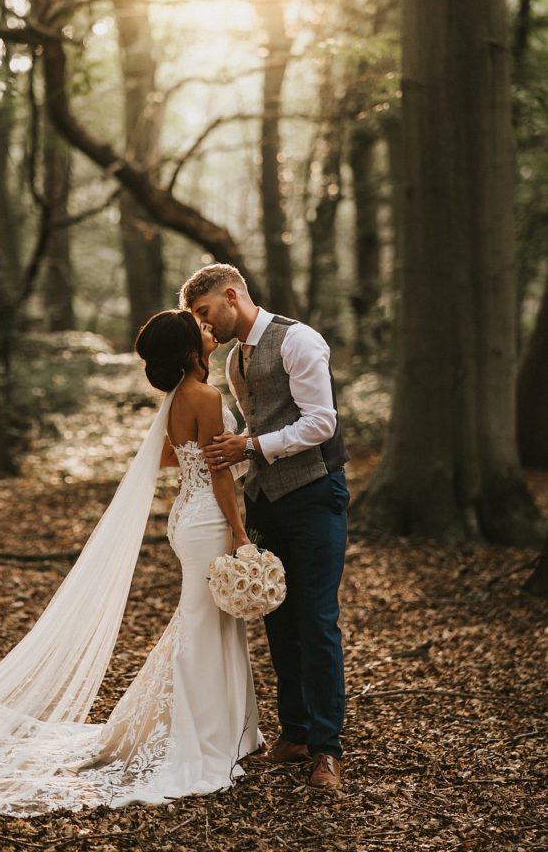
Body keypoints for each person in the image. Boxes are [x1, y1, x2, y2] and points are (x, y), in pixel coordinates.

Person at [0, 310, 260, 833]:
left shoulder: (177, 400)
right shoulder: (205, 397)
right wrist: (238, 530)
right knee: (202, 625)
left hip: (186, 515)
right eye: (201, 329)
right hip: (209, 517)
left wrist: (207, 462)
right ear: (191, 348)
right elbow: (216, 472)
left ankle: (227, 727)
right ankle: (202, 736)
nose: (209, 330)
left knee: (202, 622)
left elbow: (173, 457)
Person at [180, 263, 349, 791]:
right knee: (277, 616)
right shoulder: (233, 360)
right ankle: (294, 733)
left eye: (205, 313)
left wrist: (250, 448)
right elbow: (254, 422)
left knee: (317, 620)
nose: (202, 326)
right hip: (265, 501)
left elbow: (322, 422)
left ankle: (326, 749)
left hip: (315, 493)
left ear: (232, 297)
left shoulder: (298, 340)